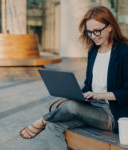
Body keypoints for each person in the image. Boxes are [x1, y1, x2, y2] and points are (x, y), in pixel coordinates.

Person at [19, 6, 128, 150]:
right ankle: (49, 121)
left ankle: (41, 121)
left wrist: (99, 95)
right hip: (92, 109)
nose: (93, 36)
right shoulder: (93, 52)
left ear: (110, 27)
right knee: (54, 126)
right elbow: (89, 85)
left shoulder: (124, 52)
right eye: (89, 32)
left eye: (97, 30)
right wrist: (76, 94)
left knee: (71, 107)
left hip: (112, 114)